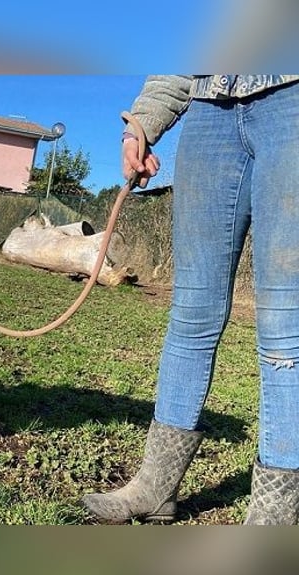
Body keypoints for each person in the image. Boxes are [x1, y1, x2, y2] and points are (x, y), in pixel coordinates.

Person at [81, 75, 299, 525]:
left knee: (285, 324)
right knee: (191, 314)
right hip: (208, 112)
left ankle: (274, 518)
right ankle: (155, 489)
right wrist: (140, 125)